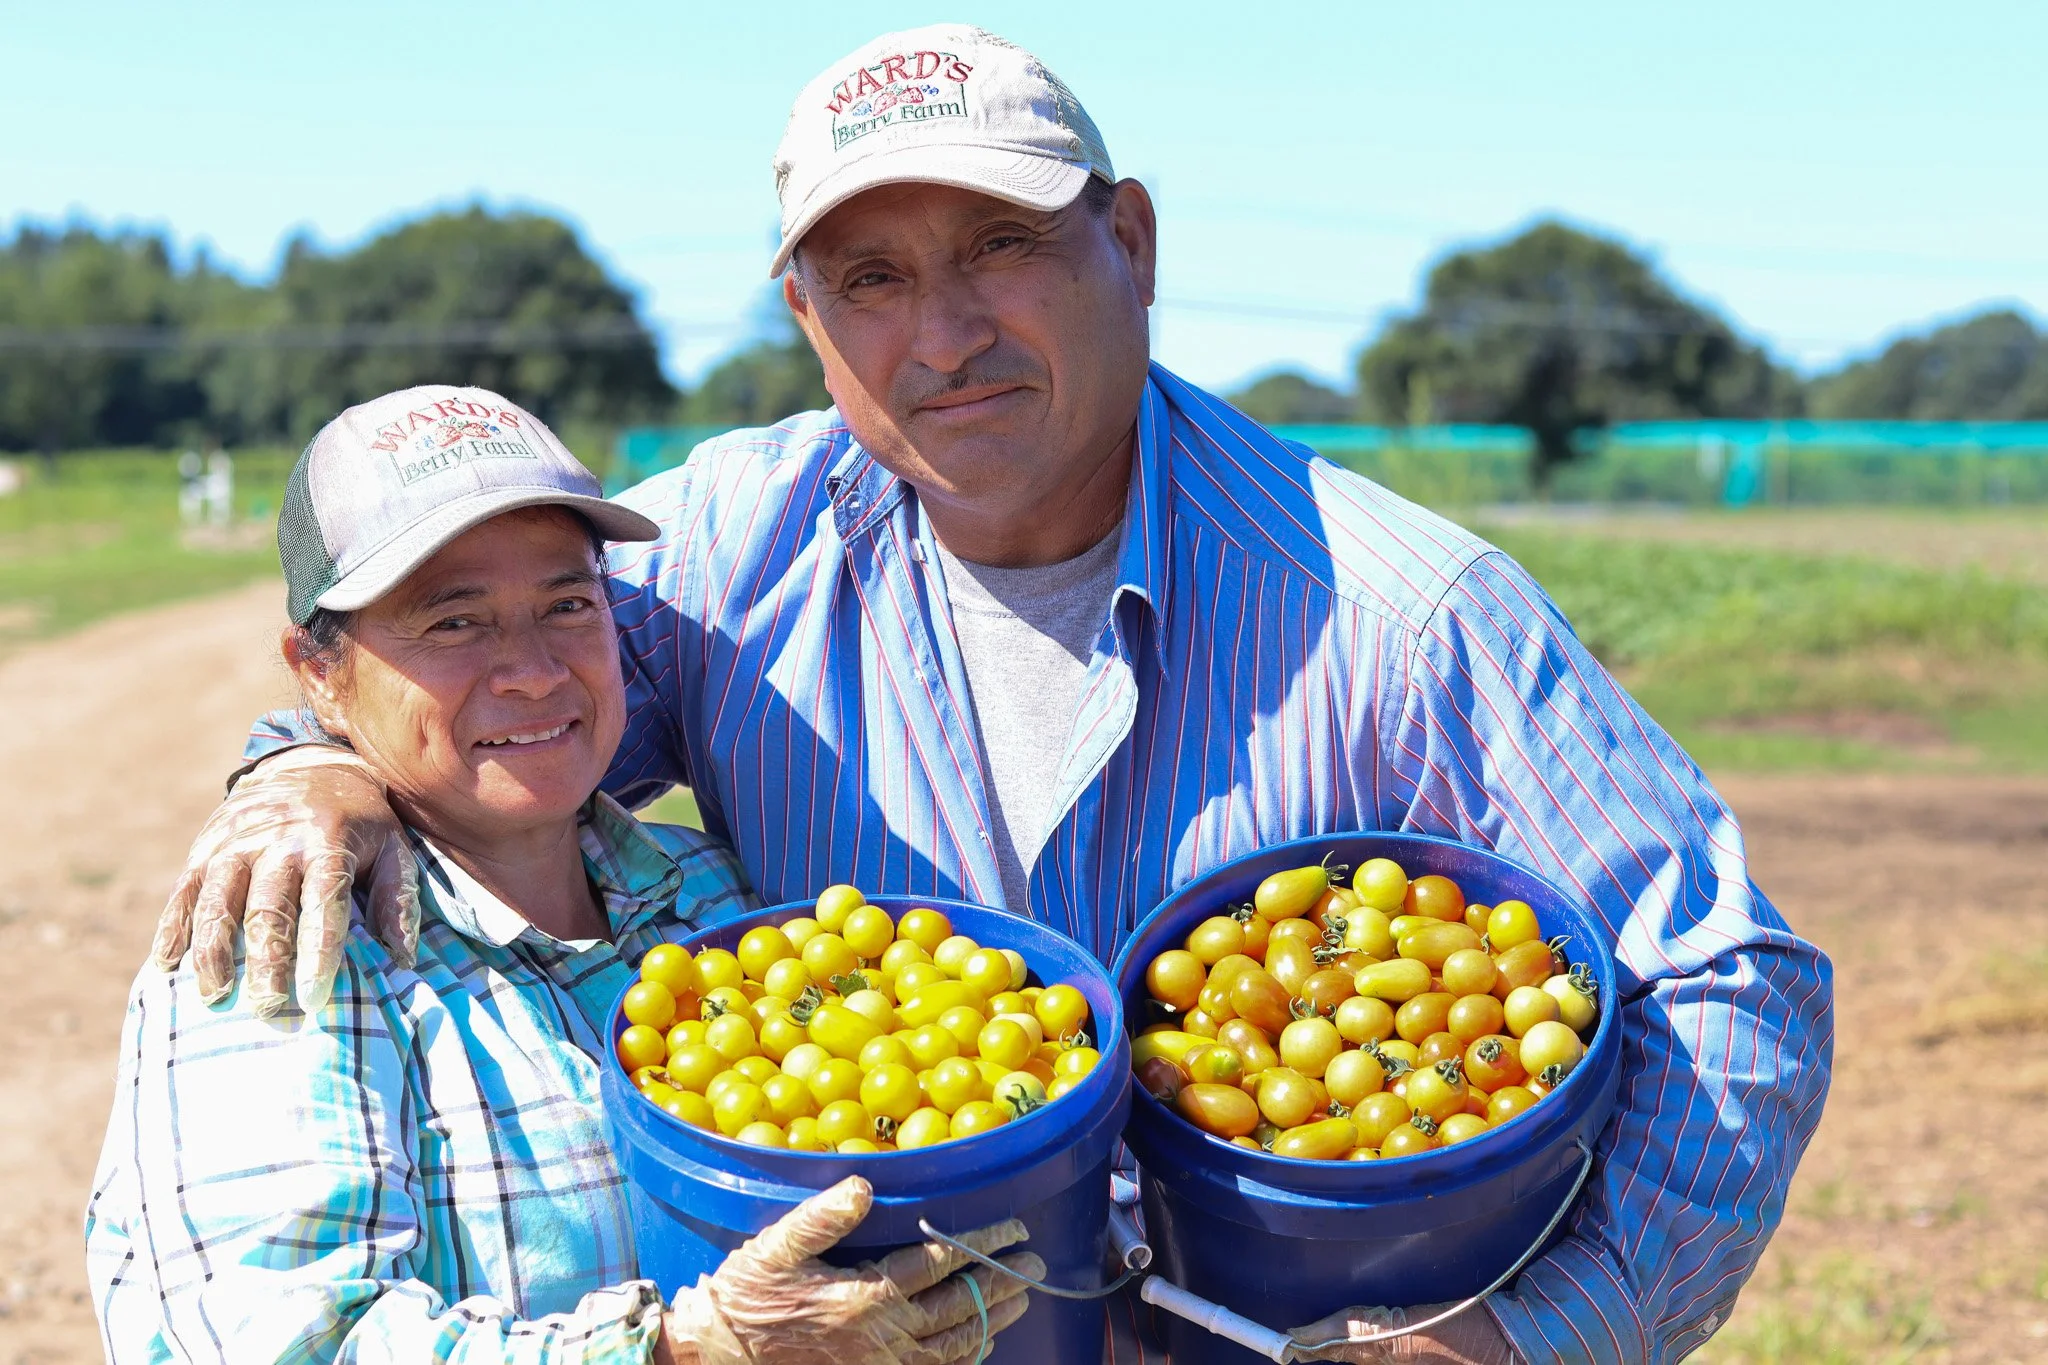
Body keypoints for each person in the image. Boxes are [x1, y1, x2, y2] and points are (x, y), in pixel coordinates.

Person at [153, 27, 1833, 1364]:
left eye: (999, 247)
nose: (940, 334)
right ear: (804, 317)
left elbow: (1727, 975)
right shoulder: (738, 547)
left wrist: (1537, 1340)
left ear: (1131, 242)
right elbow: (487, 690)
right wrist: (302, 770)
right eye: (868, 281)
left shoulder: (1399, 615)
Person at [88, 386, 1039, 1364]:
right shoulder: (291, 948)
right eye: (453, 623)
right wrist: (686, 1352)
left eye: (566, 605)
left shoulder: (713, 896)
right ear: (319, 673)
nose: (534, 671)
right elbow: (282, 1342)